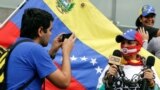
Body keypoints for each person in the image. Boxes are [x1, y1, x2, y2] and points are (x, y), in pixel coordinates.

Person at [6, 8, 76, 90]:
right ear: (40, 31)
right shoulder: (34, 49)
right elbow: (64, 82)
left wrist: (52, 51)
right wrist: (66, 52)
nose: (51, 34)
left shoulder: (19, 44)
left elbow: (33, 64)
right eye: (50, 30)